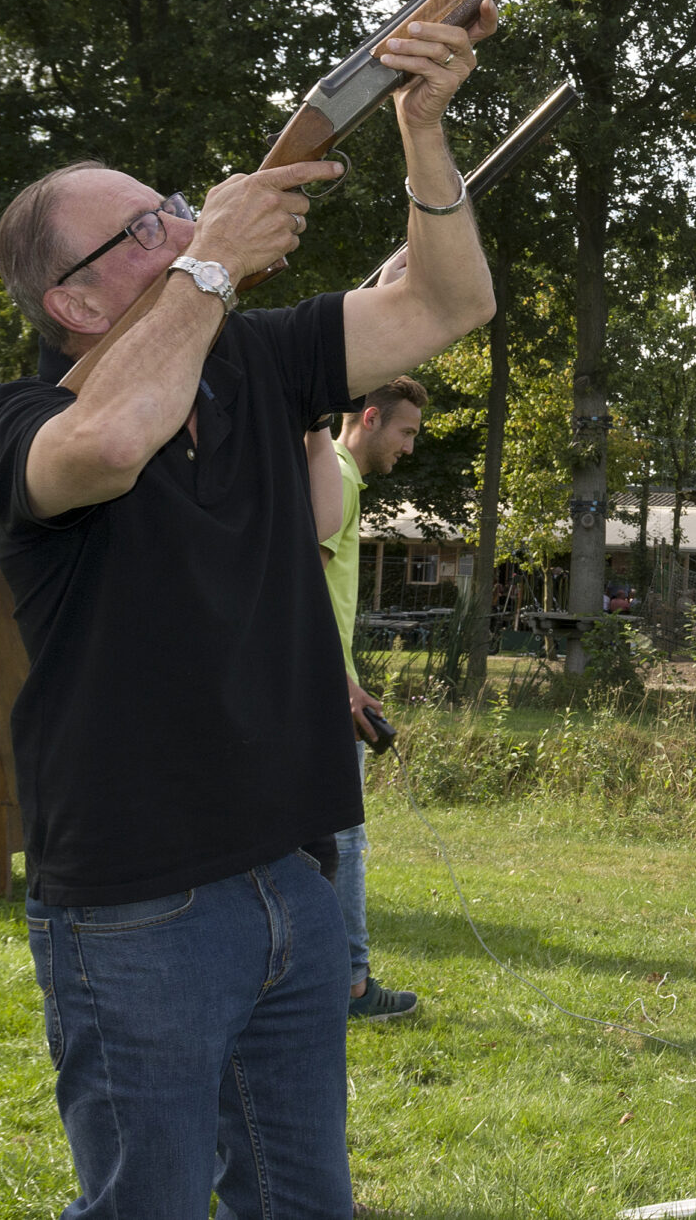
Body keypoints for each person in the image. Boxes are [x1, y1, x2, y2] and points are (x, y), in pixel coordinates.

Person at [0, 7, 501, 1220]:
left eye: (173, 206)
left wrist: (424, 131)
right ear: (78, 305)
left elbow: (446, 304)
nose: (181, 222)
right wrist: (210, 263)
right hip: (134, 900)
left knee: (306, 1205)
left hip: (291, 875)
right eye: (146, 226)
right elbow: (103, 446)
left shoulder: (256, 359)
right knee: (144, 1205)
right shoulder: (16, 422)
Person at [305, 374, 429, 1024]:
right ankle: (353, 983)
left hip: (328, 680)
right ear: (372, 417)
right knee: (346, 838)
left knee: (325, 839)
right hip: (322, 687)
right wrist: (338, 682)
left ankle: (322, 976)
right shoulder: (342, 480)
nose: (409, 447)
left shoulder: (334, 476)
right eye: (406, 431)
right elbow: (307, 586)